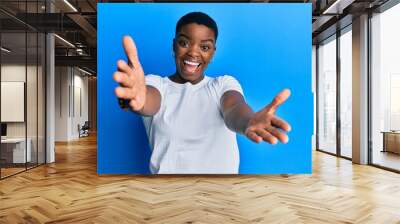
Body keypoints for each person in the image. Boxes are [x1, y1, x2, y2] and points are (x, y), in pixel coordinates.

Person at [113, 12, 291, 174]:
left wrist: (248, 121)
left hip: (220, 196)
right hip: (166, 195)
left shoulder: (223, 84)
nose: (193, 52)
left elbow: (234, 108)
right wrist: (139, 97)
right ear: (173, 46)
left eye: (204, 47)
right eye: (184, 43)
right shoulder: (155, 84)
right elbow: (148, 101)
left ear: (213, 53)